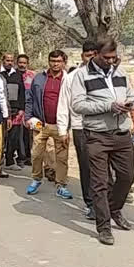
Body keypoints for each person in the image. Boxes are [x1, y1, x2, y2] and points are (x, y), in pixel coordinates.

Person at [71, 36, 134, 246]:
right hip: (97, 136)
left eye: (113, 57)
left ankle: (114, 208)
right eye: (106, 57)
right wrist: (108, 106)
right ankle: (104, 226)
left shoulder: (121, 72)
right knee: (99, 183)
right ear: (96, 54)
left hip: (121, 134)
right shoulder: (81, 75)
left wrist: (127, 104)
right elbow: (78, 105)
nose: (111, 61)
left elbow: (132, 95)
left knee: (127, 176)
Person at [58, 41, 98, 219]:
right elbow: (63, 103)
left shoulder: (103, 75)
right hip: (80, 127)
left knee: (103, 166)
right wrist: (62, 129)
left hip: (101, 127)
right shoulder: (71, 77)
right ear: (82, 56)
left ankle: (106, 201)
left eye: (94, 55)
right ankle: (91, 203)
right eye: (87, 56)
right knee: (86, 166)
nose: (91, 59)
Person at [25, 50, 73, 199]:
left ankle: (61, 185)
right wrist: (28, 117)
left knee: (62, 157)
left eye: (58, 61)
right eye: (52, 61)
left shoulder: (69, 80)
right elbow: (30, 98)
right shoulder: (39, 78)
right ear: (48, 61)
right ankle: (36, 179)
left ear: (64, 62)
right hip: (41, 124)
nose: (55, 64)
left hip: (61, 126)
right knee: (36, 154)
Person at [1, 53, 27, 170]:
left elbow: (22, 93)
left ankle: (10, 161)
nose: (9, 62)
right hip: (1, 111)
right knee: (1, 138)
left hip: (15, 111)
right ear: (3, 61)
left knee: (13, 137)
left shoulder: (17, 75)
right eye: (7, 60)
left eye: (11, 60)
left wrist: (22, 109)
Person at [18, 54, 36, 166]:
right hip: (19, 108)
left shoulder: (33, 75)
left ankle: (29, 156)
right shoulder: (14, 75)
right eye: (20, 62)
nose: (22, 65)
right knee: (18, 134)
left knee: (29, 133)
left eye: (24, 63)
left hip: (30, 108)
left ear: (27, 63)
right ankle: (21, 157)